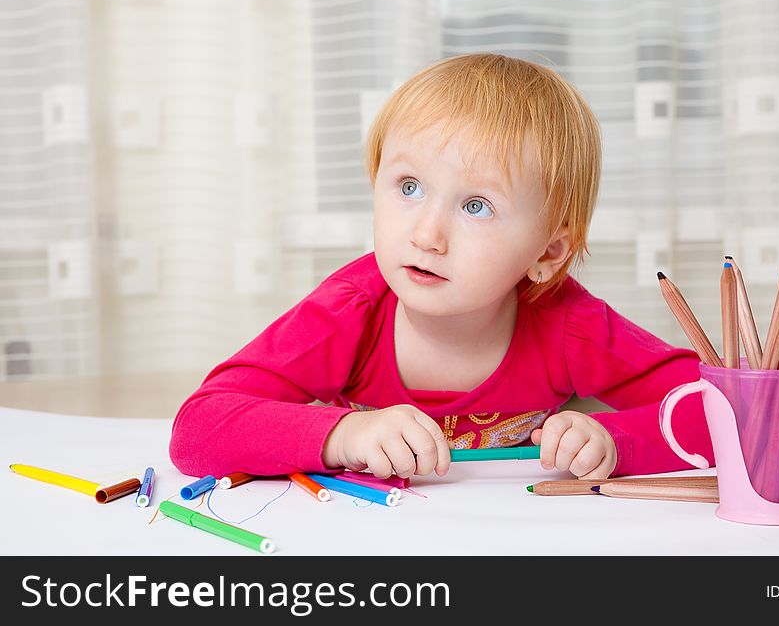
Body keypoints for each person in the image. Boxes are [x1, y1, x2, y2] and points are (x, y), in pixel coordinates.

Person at [169, 53, 713, 482]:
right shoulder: (351, 311)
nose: (427, 236)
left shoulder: (568, 323)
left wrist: (617, 442)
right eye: (409, 187)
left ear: (548, 252)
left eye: (476, 206)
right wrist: (346, 435)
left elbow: (730, 411)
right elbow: (198, 429)